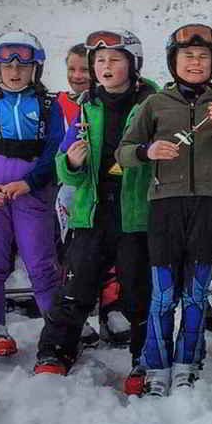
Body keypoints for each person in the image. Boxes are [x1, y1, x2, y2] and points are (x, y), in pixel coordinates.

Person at [115, 23, 212, 395]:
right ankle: (157, 366)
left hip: (209, 206)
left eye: (203, 57)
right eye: (187, 56)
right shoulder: (154, 104)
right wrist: (148, 151)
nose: (195, 62)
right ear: (174, 61)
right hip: (165, 207)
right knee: (162, 294)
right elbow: (123, 152)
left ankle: (188, 363)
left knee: (196, 293)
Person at [33, 31, 156, 394]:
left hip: (136, 212)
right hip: (93, 209)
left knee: (138, 289)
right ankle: (55, 351)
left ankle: (146, 358)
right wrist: (71, 162)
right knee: (77, 284)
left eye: (115, 60)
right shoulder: (88, 105)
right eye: (100, 61)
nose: (105, 67)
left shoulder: (153, 103)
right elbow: (63, 164)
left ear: (133, 65)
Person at [0, 31, 65, 356]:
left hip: (32, 191)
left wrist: (29, 183)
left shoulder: (49, 108)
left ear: (35, 70)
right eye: (6, 65)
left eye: (23, 67)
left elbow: (55, 151)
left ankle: (58, 332)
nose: (14, 72)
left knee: (41, 262)